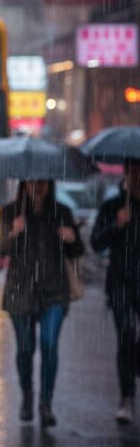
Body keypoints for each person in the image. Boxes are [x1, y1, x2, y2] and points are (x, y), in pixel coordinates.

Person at [0, 179, 83, 427]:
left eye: (42, 182)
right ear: (24, 184)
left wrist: (71, 238)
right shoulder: (11, 212)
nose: (38, 187)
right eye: (33, 182)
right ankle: (27, 395)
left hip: (54, 291)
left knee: (49, 345)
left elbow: (77, 250)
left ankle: (45, 403)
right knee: (25, 348)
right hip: (20, 292)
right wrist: (13, 233)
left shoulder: (61, 212)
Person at [91, 158, 140, 424]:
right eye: (133, 171)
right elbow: (96, 242)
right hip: (120, 281)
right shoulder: (113, 206)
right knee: (126, 333)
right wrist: (117, 225)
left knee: (133, 345)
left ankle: (134, 365)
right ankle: (127, 396)